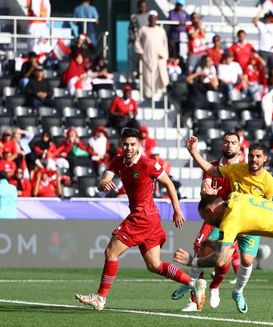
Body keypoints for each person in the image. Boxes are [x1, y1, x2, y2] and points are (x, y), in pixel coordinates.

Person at [75, 128, 207, 311]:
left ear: (139, 146)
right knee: (154, 265)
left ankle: (100, 297)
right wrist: (103, 184)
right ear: (121, 145)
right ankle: (193, 283)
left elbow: (168, 183)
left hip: (142, 216)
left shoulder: (147, 164)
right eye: (126, 144)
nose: (129, 148)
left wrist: (177, 209)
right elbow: (102, 181)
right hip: (149, 218)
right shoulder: (118, 161)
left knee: (111, 252)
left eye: (132, 145)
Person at [186, 135, 273, 313]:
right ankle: (190, 286)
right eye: (252, 156)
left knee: (247, 259)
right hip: (230, 221)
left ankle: (238, 291)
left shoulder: (269, 183)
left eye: (258, 156)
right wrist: (193, 151)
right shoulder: (237, 169)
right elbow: (211, 170)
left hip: (252, 225)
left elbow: (271, 210)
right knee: (205, 249)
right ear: (247, 155)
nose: (254, 160)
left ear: (265, 158)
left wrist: (253, 226)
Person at [171, 132, 245, 312]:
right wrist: (206, 192)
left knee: (222, 260)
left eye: (233, 143)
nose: (229, 145)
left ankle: (215, 287)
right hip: (213, 217)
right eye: (226, 142)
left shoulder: (242, 170)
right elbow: (205, 193)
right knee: (198, 250)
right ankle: (194, 297)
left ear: (238, 147)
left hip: (232, 220)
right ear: (222, 145)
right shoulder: (212, 167)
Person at [133, 10, 169, 99]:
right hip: (147, 58)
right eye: (151, 18)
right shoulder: (143, 29)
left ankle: (159, 95)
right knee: (148, 77)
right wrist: (141, 52)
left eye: (154, 18)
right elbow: (137, 42)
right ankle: (148, 96)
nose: (153, 20)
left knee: (160, 77)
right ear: (149, 19)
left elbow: (165, 44)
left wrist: (163, 54)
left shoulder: (161, 30)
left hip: (159, 59)